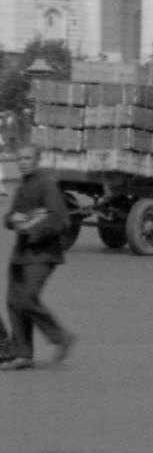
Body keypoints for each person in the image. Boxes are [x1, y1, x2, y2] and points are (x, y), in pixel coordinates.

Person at [2, 144, 76, 371]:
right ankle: (23, 354)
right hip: (21, 254)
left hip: (43, 253)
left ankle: (60, 336)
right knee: (14, 302)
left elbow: (60, 220)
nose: (22, 162)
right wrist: (13, 220)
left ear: (37, 160)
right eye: (20, 158)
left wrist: (31, 227)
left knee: (26, 298)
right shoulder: (22, 186)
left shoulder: (47, 184)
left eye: (27, 158)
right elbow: (10, 217)